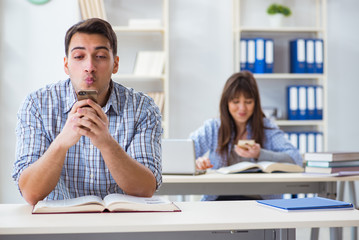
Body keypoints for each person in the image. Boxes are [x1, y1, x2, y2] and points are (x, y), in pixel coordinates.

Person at [13, 18, 162, 205]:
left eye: (100, 56)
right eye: (79, 57)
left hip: (121, 226)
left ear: (115, 64)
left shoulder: (143, 108)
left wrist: (106, 143)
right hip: (57, 227)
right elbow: (31, 193)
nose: (89, 66)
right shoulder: (36, 105)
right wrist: (62, 142)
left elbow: (145, 190)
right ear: (66, 65)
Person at [189, 71, 302, 201]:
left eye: (248, 102)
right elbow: (184, 152)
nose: (242, 108)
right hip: (218, 201)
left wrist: (260, 154)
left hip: (259, 202)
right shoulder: (213, 127)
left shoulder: (267, 128)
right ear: (226, 103)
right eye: (236, 101)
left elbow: (296, 159)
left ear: (255, 103)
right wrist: (196, 162)